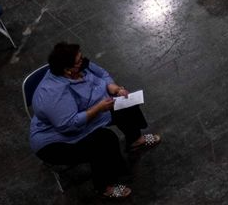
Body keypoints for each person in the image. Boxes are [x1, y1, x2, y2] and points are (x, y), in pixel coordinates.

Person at [28, 42, 159, 199]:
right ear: (67, 69)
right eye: (78, 61)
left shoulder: (81, 65)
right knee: (104, 141)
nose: (83, 61)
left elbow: (102, 74)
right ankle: (104, 187)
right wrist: (98, 109)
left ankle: (135, 140)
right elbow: (68, 125)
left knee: (126, 103)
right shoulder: (52, 94)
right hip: (57, 140)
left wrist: (114, 88)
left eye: (81, 57)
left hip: (88, 112)